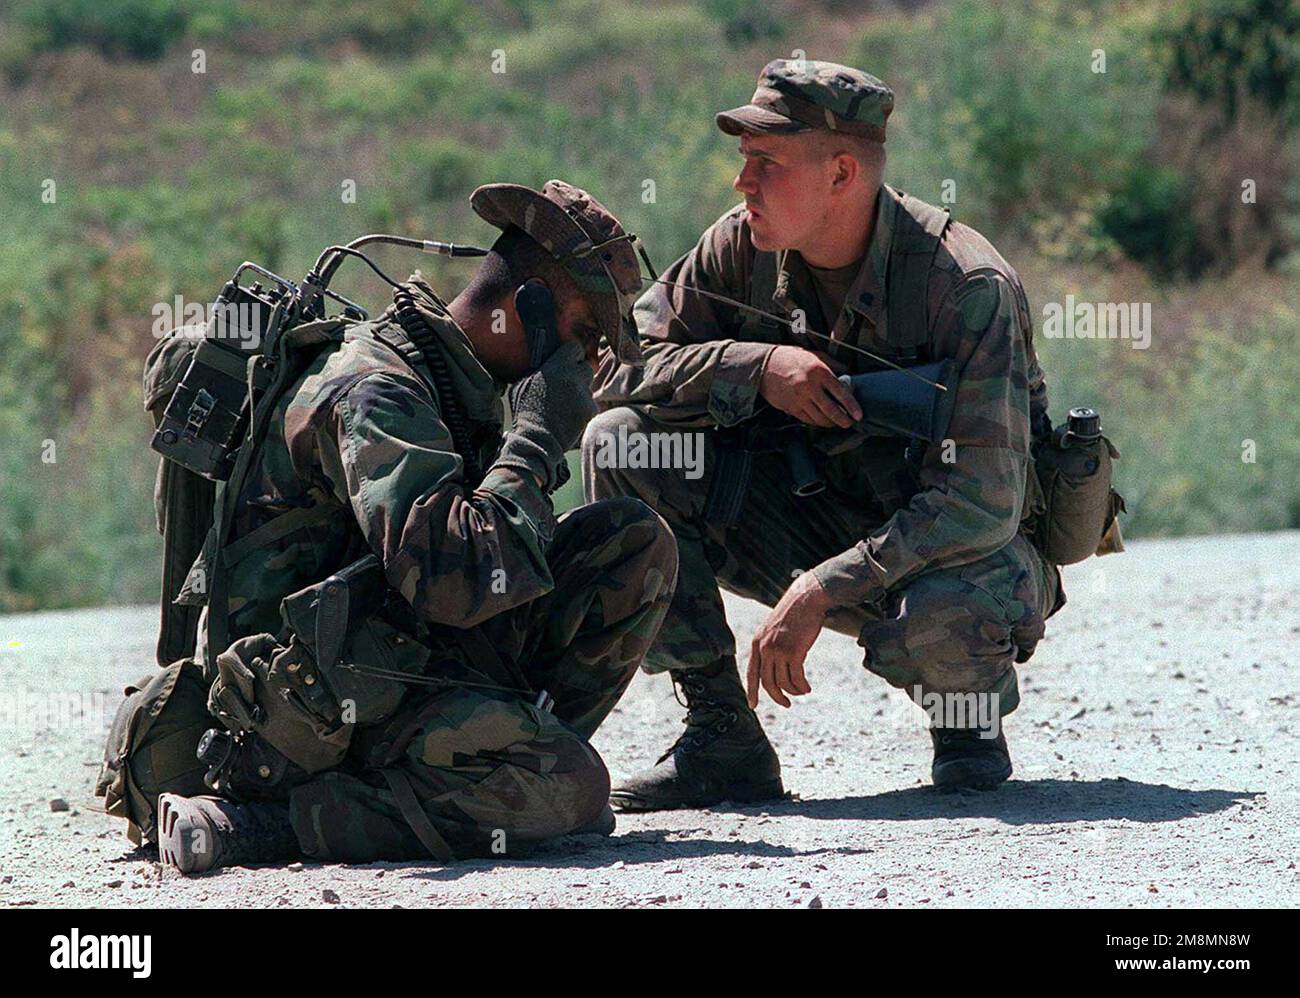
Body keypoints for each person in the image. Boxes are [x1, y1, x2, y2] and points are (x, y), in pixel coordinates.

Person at [97, 180, 678, 871]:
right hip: (298, 717)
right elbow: (452, 580)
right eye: (584, 338)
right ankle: (268, 822)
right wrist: (537, 439)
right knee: (569, 786)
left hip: (382, 662)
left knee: (630, 546)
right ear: (532, 306)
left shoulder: (448, 384)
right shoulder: (381, 389)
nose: (587, 365)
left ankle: (479, 770)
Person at [584, 60, 1063, 811]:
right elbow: (617, 367)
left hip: (950, 552)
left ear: (842, 173)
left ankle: (965, 723)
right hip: (803, 514)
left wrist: (822, 586)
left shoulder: (963, 286)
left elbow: (982, 501)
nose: (743, 184)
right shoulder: (738, 248)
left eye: (767, 164)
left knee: (945, 616)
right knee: (620, 442)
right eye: (744, 161)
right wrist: (756, 365)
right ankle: (721, 737)